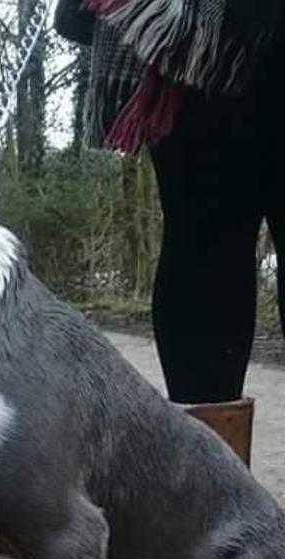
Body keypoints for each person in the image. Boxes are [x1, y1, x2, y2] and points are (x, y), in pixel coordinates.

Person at [54, 0, 284, 465]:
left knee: (204, 246)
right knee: (205, 245)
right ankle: (217, 507)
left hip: (191, 32)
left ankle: (215, 513)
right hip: (192, 36)